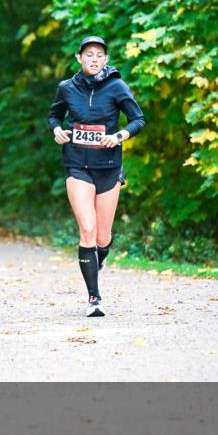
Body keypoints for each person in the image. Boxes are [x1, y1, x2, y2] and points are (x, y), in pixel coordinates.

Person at [48, 36, 146, 317]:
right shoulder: (66, 88)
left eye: (99, 55)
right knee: (87, 229)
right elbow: (54, 116)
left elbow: (138, 119)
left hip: (109, 168)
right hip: (77, 165)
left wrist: (119, 135)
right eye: (89, 54)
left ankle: (99, 257)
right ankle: (94, 297)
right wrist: (56, 130)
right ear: (79, 57)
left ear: (106, 59)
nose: (94, 59)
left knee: (102, 236)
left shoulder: (116, 86)